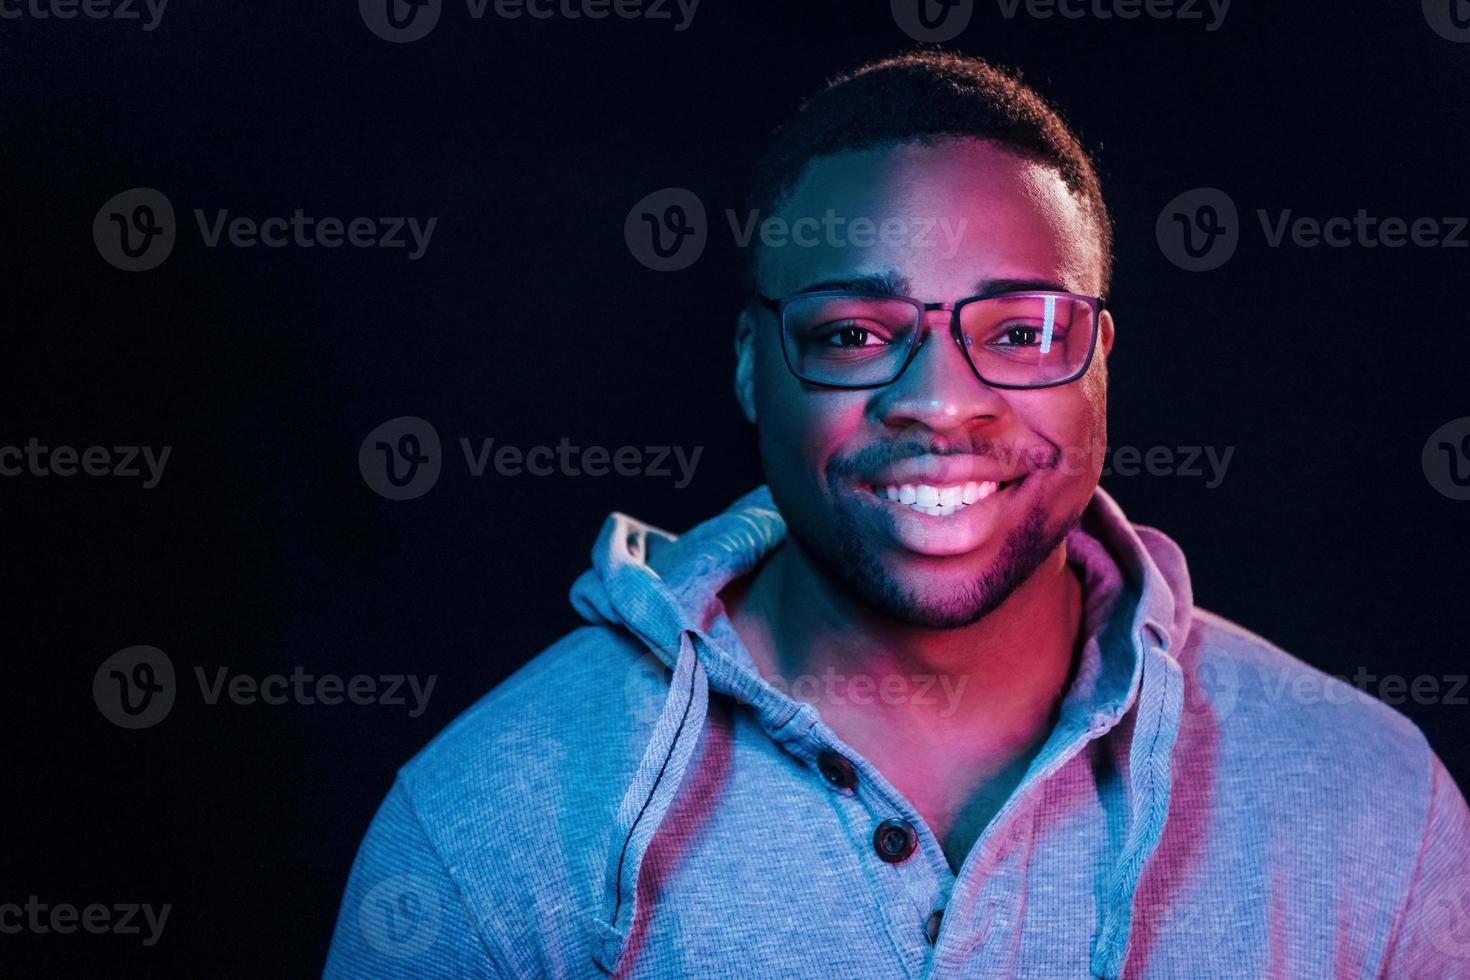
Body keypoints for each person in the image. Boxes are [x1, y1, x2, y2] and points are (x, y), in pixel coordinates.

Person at [325, 51, 1470, 978]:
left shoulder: (1379, 809)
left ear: (1099, 363)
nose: (940, 403)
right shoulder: (488, 828)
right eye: (856, 334)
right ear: (749, 367)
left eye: (1020, 331)